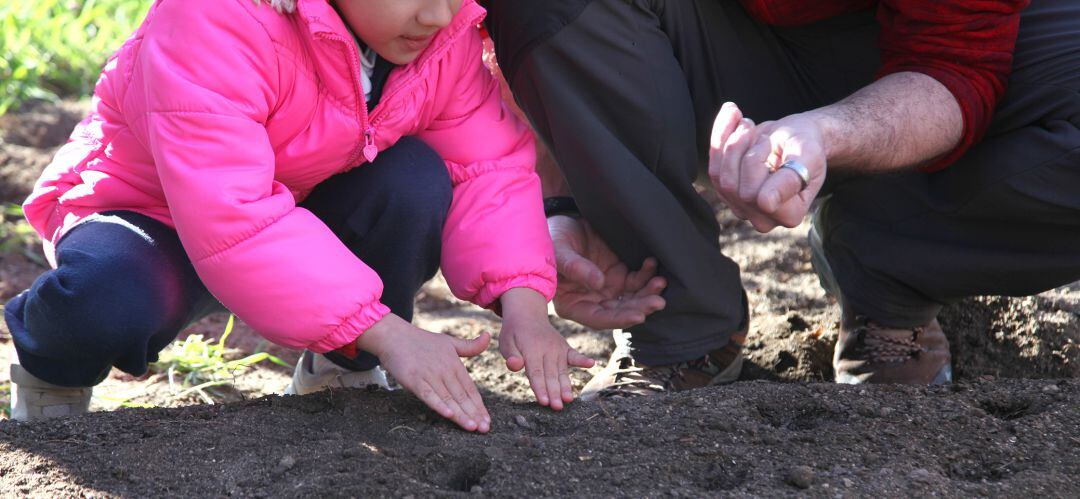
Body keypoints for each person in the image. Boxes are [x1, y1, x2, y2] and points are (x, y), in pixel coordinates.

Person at [4, 0, 595, 430]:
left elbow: (486, 169)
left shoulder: (445, 40)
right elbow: (233, 214)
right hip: (152, 213)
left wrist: (525, 305)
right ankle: (52, 369)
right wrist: (393, 333)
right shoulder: (216, 18)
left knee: (412, 177)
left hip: (300, 202)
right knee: (104, 300)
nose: (440, 16)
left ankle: (345, 365)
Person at [484, 0, 1080, 396]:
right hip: (698, 36)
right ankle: (687, 327)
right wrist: (562, 201)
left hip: (990, 41)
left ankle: (884, 254)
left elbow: (956, 63)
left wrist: (829, 132)